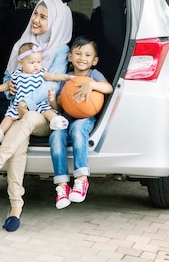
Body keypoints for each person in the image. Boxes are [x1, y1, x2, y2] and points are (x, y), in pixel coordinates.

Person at [0, 0, 72, 232]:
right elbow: (8, 79)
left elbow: (50, 87)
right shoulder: (21, 44)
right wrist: (10, 91)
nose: (35, 20)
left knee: (29, 119)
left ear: (56, 21)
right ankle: (15, 207)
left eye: (43, 17)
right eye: (35, 13)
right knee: (19, 143)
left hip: (44, 116)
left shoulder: (60, 49)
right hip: (19, 114)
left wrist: (25, 104)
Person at [47, 36, 113, 209]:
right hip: (67, 117)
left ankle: (81, 179)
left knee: (77, 129)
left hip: (86, 117)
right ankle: (62, 185)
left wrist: (91, 85)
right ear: (70, 57)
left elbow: (109, 88)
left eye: (87, 54)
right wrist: (53, 100)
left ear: (94, 60)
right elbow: (61, 106)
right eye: (78, 53)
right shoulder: (67, 77)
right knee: (56, 136)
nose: (82, 58)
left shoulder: (94, 74)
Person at [0, 42, 73, 145]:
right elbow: (7, 86)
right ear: (21, 63)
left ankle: (55, 120)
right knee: (9, 117)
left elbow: (53, 76)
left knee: (46, 109)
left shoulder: (41, 73)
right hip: (19, 105)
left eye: (39, 62)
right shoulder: (16, 75)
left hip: (37, 103)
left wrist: (67, 77)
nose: (36, 65)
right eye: (32, 62)